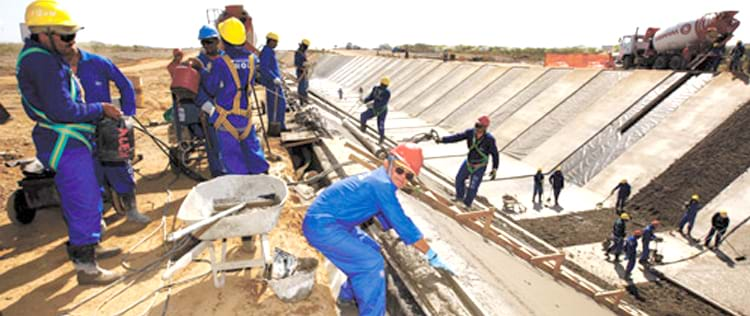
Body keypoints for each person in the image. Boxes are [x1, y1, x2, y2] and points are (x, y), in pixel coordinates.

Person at [17, 0, 122, 285]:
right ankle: (86, 266)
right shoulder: (40, 61)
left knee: (89, 193)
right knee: (83, 199)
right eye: (66, 36)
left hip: (71, 139)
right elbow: (62, 110)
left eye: (73, 34)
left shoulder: (45, 57)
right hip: (64, 141)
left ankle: (93, 246)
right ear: (43, 33)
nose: (72, 41)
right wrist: (100, 109)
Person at [303, 143, 453, 316]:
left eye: (409, 176)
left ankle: (347, 296)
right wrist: (430, 254)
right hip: (323, 226)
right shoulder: (381, 184)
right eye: (399, 170)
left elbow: (389, 216)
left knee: (372, 248)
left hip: (338, 223)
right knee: (371, 263)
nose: (403, 178)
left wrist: (402, 231)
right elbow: (402, 222)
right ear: (387, 163)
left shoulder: (379, 179)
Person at [64, 43, 150, 223]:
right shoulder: (56, 68)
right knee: (89, 174)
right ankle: (98, 218)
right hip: (78, 130)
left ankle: (131, 209)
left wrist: (127, 115)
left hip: (107, 126)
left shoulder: (98, 63)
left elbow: (125, 84)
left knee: (119, 166)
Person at [199, 17, 269, 175]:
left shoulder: (220, 63)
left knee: (232, 157)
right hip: (245, 116)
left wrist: (203, 72)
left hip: (226, 118)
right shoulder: (252, 59)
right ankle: (263, 182)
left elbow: (211, 88)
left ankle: (241, 187)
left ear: (223, 40)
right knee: (253, 151)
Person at [167, 25, 224, 177]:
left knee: (229, 143)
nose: (207, 46)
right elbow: (189, 87)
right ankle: (218, 175)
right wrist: (205, 105)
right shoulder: (198, 63)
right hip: (208, 109)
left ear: (217, 41)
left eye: (210, 42)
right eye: (204, 43)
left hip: (228, 107)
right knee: (212, 145)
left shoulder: (227, 59)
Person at [436, 116, 499, 208]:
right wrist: (443, 140)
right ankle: (459, 197)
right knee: (459, 179)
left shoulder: (489, 140)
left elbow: (495, 154)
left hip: (480, 166)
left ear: (485, 128)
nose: (477, 128)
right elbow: (457, 137)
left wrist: (495, 168)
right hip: (469, 162)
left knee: (473, 187)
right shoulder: (470, 133)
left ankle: (467, 204)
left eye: (479, 126)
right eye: (476, 125)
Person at [259, 32, 287, 133]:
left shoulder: (270, 51)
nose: (276, 44)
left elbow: (272, 67)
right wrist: (273, 78)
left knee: (280, 104)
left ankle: (280, 126)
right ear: (270, 41)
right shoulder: (266, 51)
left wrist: (279, 77)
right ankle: (275, 128)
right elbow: (264, 68)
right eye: (275, 42)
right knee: (275, 105)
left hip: (275, 82)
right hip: (272, 83)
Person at [360, 77, 391, 145]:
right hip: (377, 108)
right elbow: (371, 96)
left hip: (381, 110)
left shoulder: (387, 93)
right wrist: (365, 100)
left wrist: (372, 105)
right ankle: (363, 128)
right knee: (363, 116)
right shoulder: (376, 88)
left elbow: (383, 102)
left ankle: (381, 137)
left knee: (380, 124)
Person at [295, 38, 311, 105]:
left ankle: (305, 99)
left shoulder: (303, 52)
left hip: (305, 72)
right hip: (301, 72)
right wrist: (303, 67)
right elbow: (297, 64)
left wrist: (307, 64)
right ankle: (302, 101)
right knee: (302, 87)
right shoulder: (298, 53)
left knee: (306, 86)